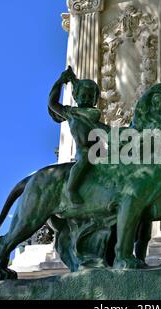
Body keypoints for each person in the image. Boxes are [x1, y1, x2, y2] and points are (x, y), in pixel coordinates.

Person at [48, 66, 108, 205]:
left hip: (100, 152)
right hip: (83, 151)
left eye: (90, 96)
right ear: (76, 96)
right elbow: (52, 103)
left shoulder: (93, 115)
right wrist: (59, 82)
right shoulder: (70, 113)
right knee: (86, 156)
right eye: (83, 96)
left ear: (94, 100)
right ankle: (71, 188)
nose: (86, 99)